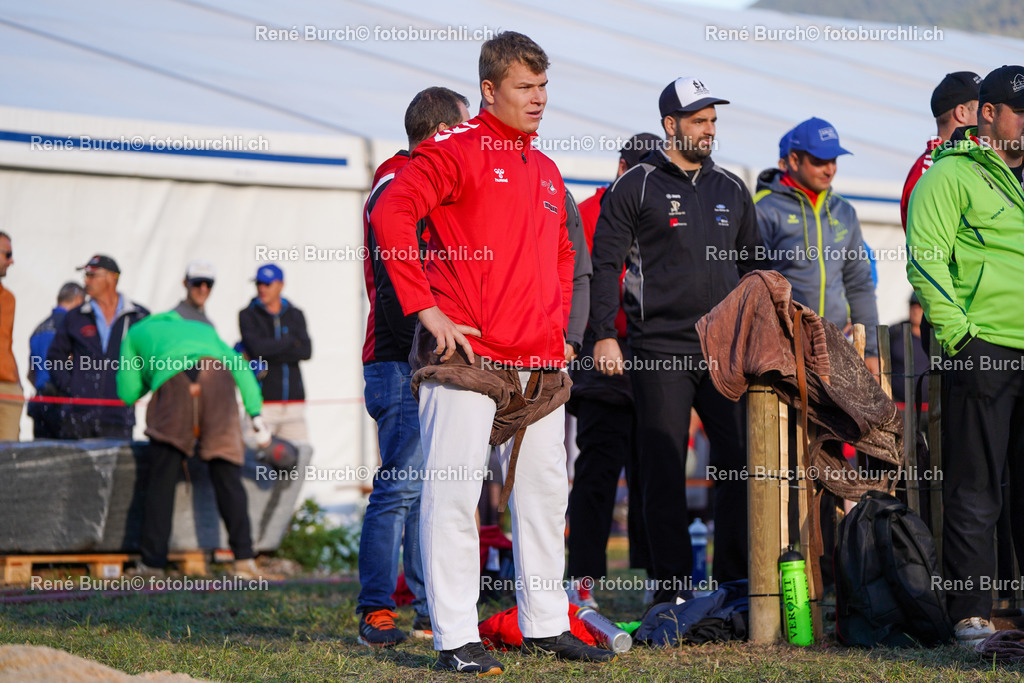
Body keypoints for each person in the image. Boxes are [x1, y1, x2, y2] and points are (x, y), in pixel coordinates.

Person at [372, 31, 614, 674]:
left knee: (544, 495)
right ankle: (454, 637)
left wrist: (562, 333)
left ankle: (543, 622)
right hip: (468, 360)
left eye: (543, 87)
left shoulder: (545, 168)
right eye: (524, 88)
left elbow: (566, 256)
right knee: (451, 494)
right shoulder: (454, 149)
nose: (538, 100)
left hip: (539, 364)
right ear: (489, 89)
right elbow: (391, 212)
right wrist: (423, 305)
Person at [591, 77, 762, 602]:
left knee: (738, 462)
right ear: (671, 125)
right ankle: (671, 589)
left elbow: (757, 271)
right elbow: (604, 266)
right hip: (658, 348)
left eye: (713, 120)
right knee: (663, 466)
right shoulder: (635, 185)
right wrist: (602, 336)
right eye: (698, 120)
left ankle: (734, 583)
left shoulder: (732, 189)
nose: (709, 130)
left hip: (725, 352)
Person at [906, 64, 1024, 648]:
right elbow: (925, 260)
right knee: (976, 487)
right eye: (1018, 110)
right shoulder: (949, 175)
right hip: (984, 349)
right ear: (987, 114)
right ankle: (973, 616)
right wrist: (963, 338)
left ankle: (1017, 612)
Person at [358, 85, 471, 647]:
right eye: (465, 129)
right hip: (396, 357)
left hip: (419, 359)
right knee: (400, 487)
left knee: (425, 489)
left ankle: (429, 610)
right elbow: (395, 263)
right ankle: (376, 610)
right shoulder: (399, 180)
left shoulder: (422, 182)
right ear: (442, 132)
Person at [566, 132, 660, 610]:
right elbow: (567, 280)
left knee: (653, 471)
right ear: (621, 166)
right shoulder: (584, 211)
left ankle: (657, 577)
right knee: (598, 470)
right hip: (597, 354)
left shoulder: (663, 207)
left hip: (653, 355)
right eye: (639, 169)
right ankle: (581, 578)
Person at [117, 311, 271, 578]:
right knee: (227, 475)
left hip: (173, 381)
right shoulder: (203, 330)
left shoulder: (134, 334)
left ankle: (152, 565)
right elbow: (240, 368)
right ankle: (245, 561)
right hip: (217, 379)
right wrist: (255, 413)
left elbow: (127, 392)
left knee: (161, 479)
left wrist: (150, 380)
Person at [755, 117, 880, 376]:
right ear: (793, 160)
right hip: (781, 351)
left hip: (837, 347)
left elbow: (860, 283)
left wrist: (871, 351)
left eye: (833, 160)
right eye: (819, 161)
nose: (829, 169)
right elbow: (750, 286)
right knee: (781, 419)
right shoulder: (764, 208)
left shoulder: (844, 211)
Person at [47, 255, 149, 439]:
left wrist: (134, 391)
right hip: (78, 418)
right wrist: (72, 388)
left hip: (119, 418)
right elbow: (55, 357)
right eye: (85, 276)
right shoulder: (75, 317)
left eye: (92, 275)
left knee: (117, 469)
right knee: (77, 469)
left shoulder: (139, 317)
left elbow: (152, 360)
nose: (86, 281)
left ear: (112, 278)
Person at [901, 72, 982, 231]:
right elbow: (928, 244)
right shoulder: (929, 169)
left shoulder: (969, 159)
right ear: (962, 113)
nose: (989, 115)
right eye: (983, 108)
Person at [238, 264, 311, 442]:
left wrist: (268, 349)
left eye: (267, 284)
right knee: (256, 464)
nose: (261, 288)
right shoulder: (247, 314)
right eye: (258, 284)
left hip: (293, 405)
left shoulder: (295, 314)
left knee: (298, 460)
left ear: (280, 285)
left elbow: (306, 351)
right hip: (262, 405)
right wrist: (290, 341)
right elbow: (257, 349)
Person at [27, 282, 85, 438]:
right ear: (78, 300)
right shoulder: (71, 327)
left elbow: (31, 374)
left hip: (40, 403)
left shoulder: (39, 328)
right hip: (62, 404)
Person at [0, 233, 21, 441]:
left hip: (7, 388)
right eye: (8, 254)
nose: (11, 261)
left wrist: (18, 386)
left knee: (9, 458)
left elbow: (7, 343)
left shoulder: (8, 299)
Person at [174, 260, 217, 326]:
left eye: (209, 284)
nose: (203, 289)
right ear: (185, 283)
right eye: (197, 283)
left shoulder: (209, 325)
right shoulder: (173, 319)